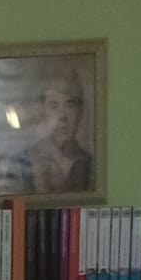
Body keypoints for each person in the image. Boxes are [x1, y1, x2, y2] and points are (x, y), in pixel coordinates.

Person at [25, 67, 94, 196]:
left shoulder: (92, 165)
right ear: (42, 111)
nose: (62, 116)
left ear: (80, 112)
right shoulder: (25, 161)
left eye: (70, 105)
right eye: (53, 106)